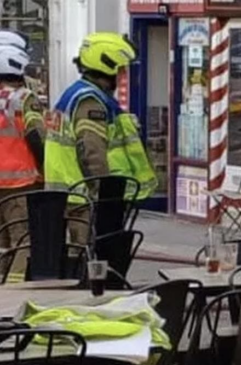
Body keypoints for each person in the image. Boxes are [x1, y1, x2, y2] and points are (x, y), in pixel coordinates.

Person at [44, 32, 156, 244]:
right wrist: (104, 196)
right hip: (84, 197)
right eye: (121, 69)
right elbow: (91, 152)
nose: (124, 75)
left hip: (71, 193)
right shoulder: (90, 102)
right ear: (107, 65)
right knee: (90, 259)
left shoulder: (75, 94)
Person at [0, 30, 44, 282]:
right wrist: (45, 168)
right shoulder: (22, 99)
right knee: (21, 239)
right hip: (19, 182)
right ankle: (14, 290)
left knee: (2, 242)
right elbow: (36, 136)